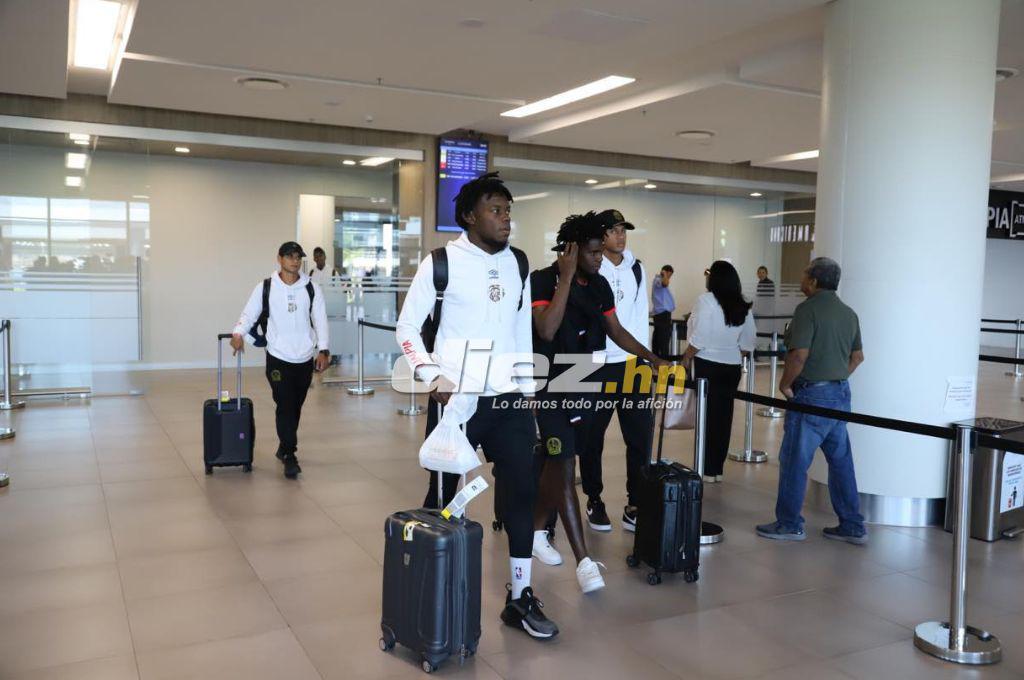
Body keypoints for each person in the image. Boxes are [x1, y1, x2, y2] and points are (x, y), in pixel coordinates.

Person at [395, 172, 559, 640]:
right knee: (446, 502)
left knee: (521, 496)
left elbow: (521, 330)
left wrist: (527, 391)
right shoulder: (441, 263)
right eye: (496, 210)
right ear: (469, 216)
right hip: (459, 404)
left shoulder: (520, 263)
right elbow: (407, 328)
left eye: (508, 211)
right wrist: (431, 376)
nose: (506, 219)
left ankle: (520, 598)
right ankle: (437, 592)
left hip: (509, 402)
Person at [529, 212, 667, 593]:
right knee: (565, 459)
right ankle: (584, 561)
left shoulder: (601, 285)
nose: (598, 259)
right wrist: (567, 276)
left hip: (586, 379)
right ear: (571, 251)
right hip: (551, 381)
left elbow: (616, 331)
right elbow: (547, 328)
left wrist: (652, 359)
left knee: (558, 463)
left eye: (597, 252)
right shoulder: (543, 280)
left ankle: (535, 532)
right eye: (590, 253)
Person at [756, 257, 867, 544]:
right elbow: (858, 357)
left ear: (814, 281)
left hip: (811, 396)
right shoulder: (849, 313)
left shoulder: (807, 310)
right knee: (841, 462)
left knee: (794, 460)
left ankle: (790, 523)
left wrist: (785, 384)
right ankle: (852, 524)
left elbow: (798, 355)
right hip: (840, 395)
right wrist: (836, 378)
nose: (802, 281)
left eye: (805, 276)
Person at [579, 209, 653, 534]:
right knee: (591, 437)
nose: (620, 236)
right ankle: (594, 498)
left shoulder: (639, 269)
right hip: (597, 365)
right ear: (601, 236)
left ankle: (636, 503)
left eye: (623, 230)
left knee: (639, 439)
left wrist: (646, 360)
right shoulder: (592, 269)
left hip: (633, 366)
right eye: (613, 231)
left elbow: (641, 317)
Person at [230, 241, 330, 479]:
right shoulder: (265, 287)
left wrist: (324, 349)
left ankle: (284, 445)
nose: (294, 261)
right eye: (290, 257)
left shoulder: (312, 288)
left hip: (304, 356)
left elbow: (321, 320)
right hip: (278, 357)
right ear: (280, 259)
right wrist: (237, 333)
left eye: (298, 257)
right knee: (285, 403)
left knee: (295, 405)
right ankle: (290, 455)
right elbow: (249, 313)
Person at [681, 261, 756, 483]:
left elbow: (700, 336)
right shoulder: (743, 304)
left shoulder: (705, 300)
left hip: (706, 365)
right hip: (731, 367)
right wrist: (730, 354)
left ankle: (704, 468)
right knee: (724, 418)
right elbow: (748, 342)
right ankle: (716, 469)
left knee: (706, 416)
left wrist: (686, 357)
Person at [651, 265, 675, 357]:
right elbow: (665, 283)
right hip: (662, 315)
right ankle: (663, 364)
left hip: (661, 315)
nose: (669, 278)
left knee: (658, 340)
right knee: (663, 342)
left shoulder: (659, 281)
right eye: (670, 275)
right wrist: (664, 274)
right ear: (666, 272)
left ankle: (658, 362)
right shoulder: (659, 280)